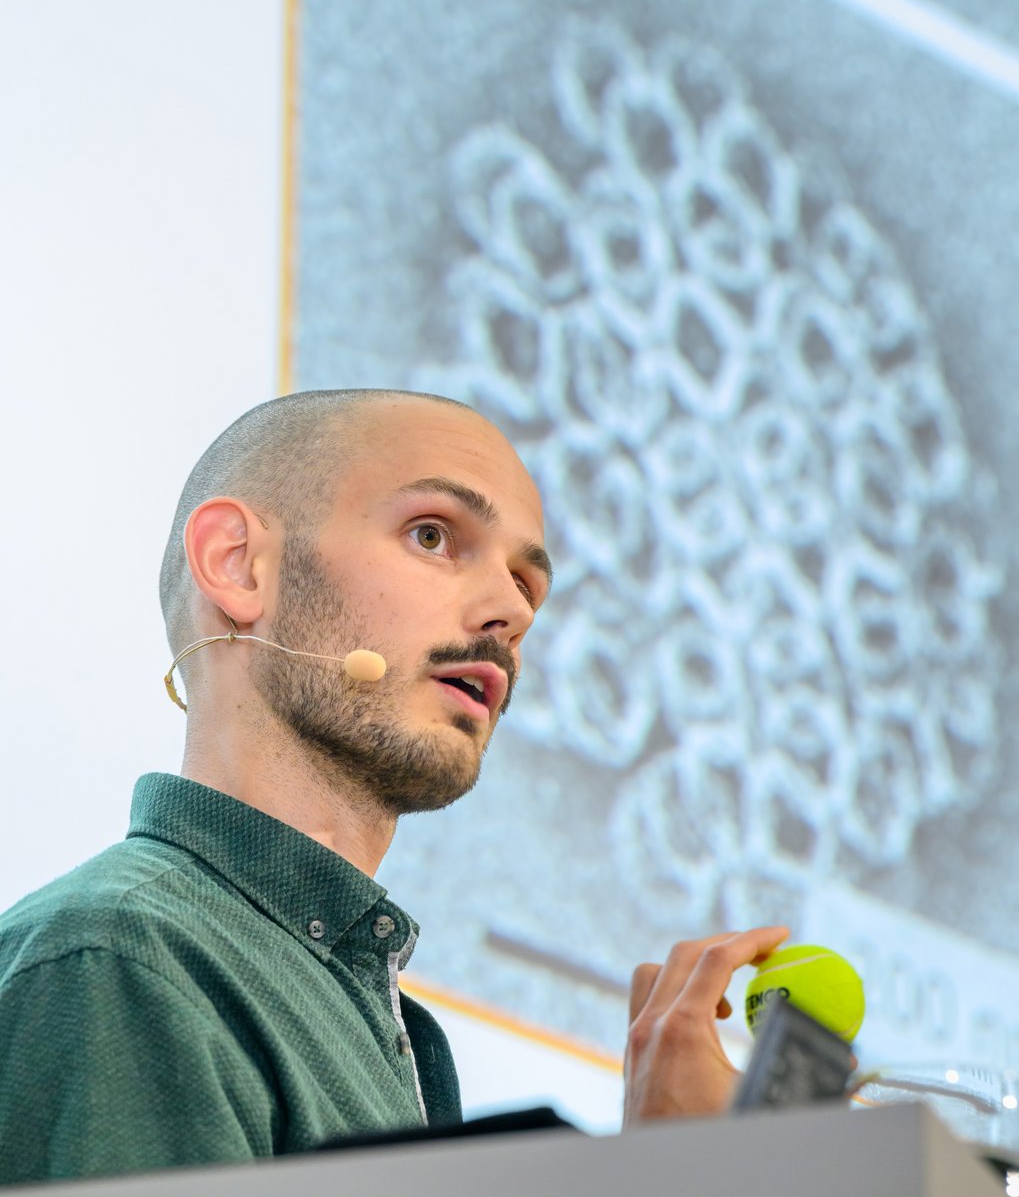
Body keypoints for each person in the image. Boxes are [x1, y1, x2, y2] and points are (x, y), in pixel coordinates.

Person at [0, 390, 786, 1184]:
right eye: (434, 535)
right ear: (239, 565)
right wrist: (677, 1176)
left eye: (527, 584)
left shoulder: (397, 1030)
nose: (509, 612)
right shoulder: (121, 957)